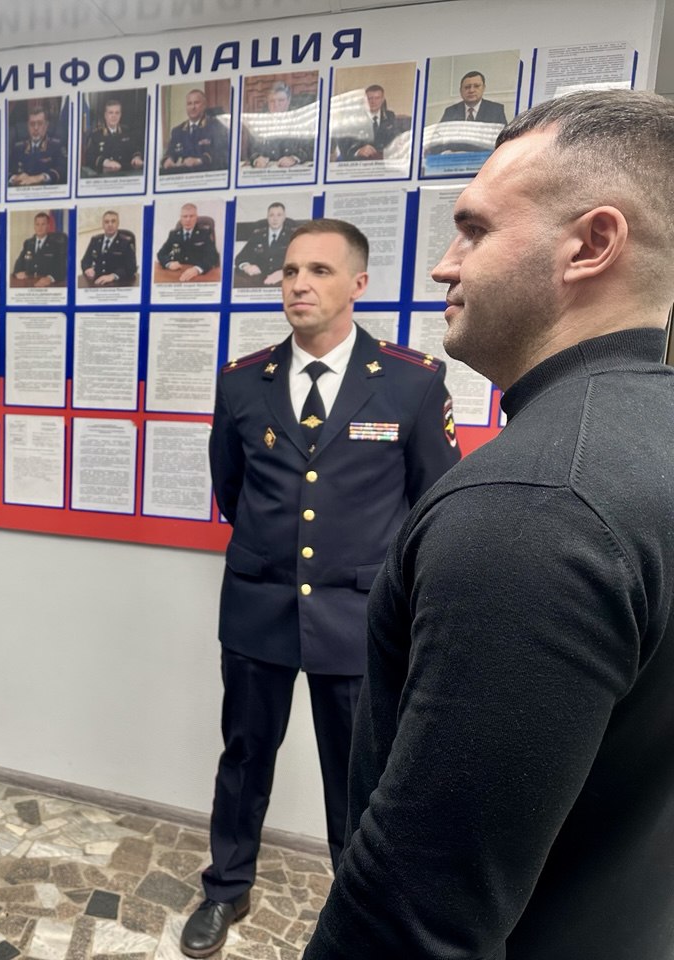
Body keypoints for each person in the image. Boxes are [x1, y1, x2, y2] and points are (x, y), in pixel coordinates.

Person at [304, 89, 674, 960]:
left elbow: (416, 916)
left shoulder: (532, 507)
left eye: (474, 230)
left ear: (591, 245)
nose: (444, 265)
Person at [186, 218, 459, 959]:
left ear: (358, 285)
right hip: (259, 606)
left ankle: (358, 899)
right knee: (245, 755)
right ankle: (226, 885)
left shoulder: (410, 382)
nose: (298, 284)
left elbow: (433, 502)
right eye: (289, 271)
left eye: (319, 271)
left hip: (358, 616)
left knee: (357, 771)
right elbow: (231, 491)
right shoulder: (243, 382)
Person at [246, 82, 314, 168]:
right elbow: (251, 150)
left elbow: (311, 148)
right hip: (267, 172)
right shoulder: (260, 123)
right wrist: (257, 159)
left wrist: (294, 158)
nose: (276, 105)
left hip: (293, 171)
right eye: (272, 101)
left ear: (288, 101)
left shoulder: (301, 121)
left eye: (281, 100)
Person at [161, 88, 229, 173]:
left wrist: (199, 161)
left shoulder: (215, 126)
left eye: (196, 103)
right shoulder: (178, 131)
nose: (192, 107)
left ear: (204, 105)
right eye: (189, 104)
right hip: (184, 176)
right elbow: (170, 152)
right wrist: (168, 160)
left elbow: (223, 154)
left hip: (208, 175)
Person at [234, 202, 297, 288]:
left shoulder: (292, 236)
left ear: (284, 217)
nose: (275, 219)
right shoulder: (257, 235)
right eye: (271, 215)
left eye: (279, 215)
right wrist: (247, 267)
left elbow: (301, 261)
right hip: (258, 281)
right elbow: (240, 258)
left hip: (283, 281)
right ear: (267, 217)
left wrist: (284, 272)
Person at [156, 203, 220, 282]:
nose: (188, 219)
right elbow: (161, 254)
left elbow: (213, 256)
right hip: (178, 274)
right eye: (185, 216)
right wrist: (169, 264)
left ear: (196, 217)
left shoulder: (205, 233)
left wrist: (197, 269)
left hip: (198, 276)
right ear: (181, 218)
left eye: (191, 216)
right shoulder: (174, 234)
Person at [81, 98, 145, 176]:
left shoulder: (127, 132)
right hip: (104, 176)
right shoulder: (96, 135)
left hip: (125, 174)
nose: (114, 116)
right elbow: (89, 157)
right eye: (111, 113)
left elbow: (135, 149)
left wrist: (137, 157)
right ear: (105, 115)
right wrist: (105, 162)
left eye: (117, 113)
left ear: (120, 115)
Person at [8, 104, 67, 186]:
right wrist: (15, 178)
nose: (35, 128)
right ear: (27, 126)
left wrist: (40, 178)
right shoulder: (18, 148)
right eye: (32, 124)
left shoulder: (56, 146)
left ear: (46, 126)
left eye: (40, 123)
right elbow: (5, 171)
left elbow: (63, 170)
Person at [334, 85, 397, 161]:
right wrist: (358, 152)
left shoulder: (390, 116)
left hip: (383, 161)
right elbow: (343, 144)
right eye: (370, 98)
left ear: (383, 99)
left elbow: (394, 138)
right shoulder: (353, 118)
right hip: (359, 161)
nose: (373, 102)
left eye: (377, 98)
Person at [80, 210, 138, 287]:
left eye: (113, 221)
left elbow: (131, 268)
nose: (110, 225)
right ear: (102, 225)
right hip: (97, 281)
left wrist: (113, 276)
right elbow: (85, 261)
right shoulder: (95, 240)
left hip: (118, 283)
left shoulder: (126, 242)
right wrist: (87, 269)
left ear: (118, 223)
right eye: (106, 222)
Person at [12, 211, 67, 286]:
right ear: (34, 226)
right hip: (29, 283)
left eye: (43, 224)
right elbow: (19, 263)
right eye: (37, 224)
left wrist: (50, 278)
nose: (40, 227)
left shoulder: (56, 244)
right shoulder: (28, 243)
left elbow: (62, 268)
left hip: (48, 285)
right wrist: (17, 273)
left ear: (48, 226)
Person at [439, 70, 508, 124]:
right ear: (460, 91)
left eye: (476, 86)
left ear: (483, 88)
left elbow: (505, 137)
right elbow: (441, 135)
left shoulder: (496, 110)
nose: (471, 90)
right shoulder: (450, 111)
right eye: (467, 87)